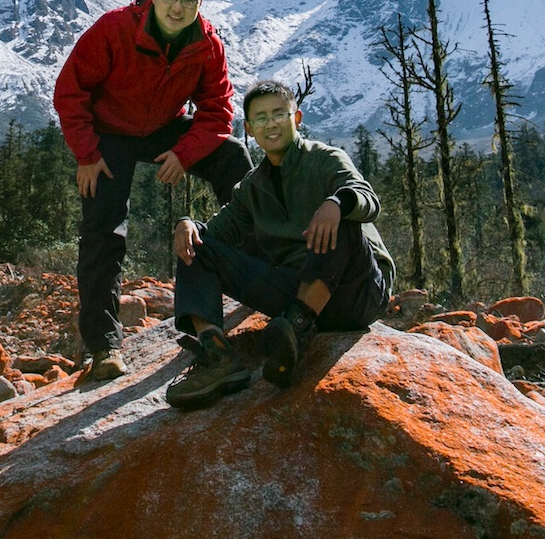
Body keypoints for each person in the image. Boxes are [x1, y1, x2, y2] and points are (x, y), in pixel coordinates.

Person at [53, 0, 252, 381]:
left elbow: (218, 112)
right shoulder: (115, 28)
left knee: (232, 157)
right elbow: (71, 90)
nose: (177, 8)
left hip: (163, 127)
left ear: (200, 3)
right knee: (104, 231)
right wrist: (87, 155)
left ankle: (259, 260)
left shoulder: (207, 44)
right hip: (109, 134)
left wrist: (184, 152)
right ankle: (104, 346)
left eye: (188, 0)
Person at [165, 77, 395, 410]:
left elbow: (367, 199)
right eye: (261, 117)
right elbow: (215, 233)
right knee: (195, 246)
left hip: (356, 292)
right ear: (249, 128)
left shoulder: (326, 159)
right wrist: (185, 225)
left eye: (279, 114)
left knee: (338, 215)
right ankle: (217, 357)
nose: (270, 123)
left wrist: (337, 204)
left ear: (296, 118)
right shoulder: (252, 187)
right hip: (291, 293)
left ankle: (298, 332)